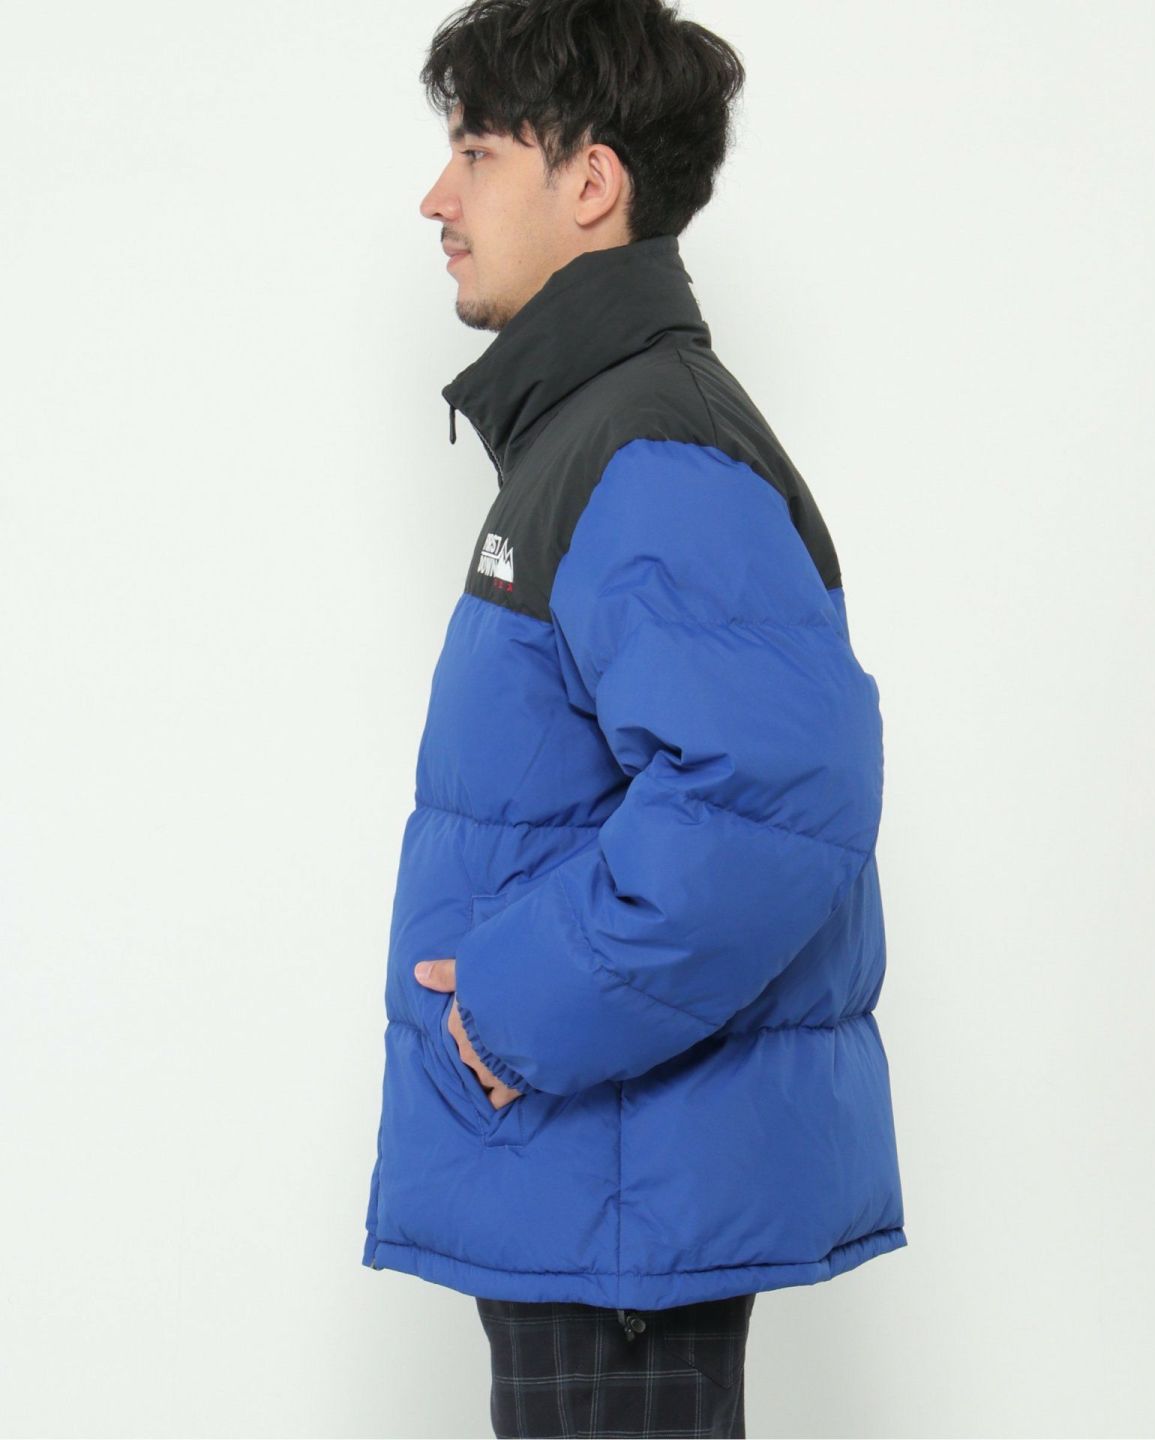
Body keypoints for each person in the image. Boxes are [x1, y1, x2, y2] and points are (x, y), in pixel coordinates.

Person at [361, 2, 907, 1435]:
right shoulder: (594, 432)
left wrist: (507, 1009)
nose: (437, 197)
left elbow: (762, 798)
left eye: (477, 152)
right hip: (598, 1190)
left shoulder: (645, 444)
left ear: (590, 181)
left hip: (618, 1193)